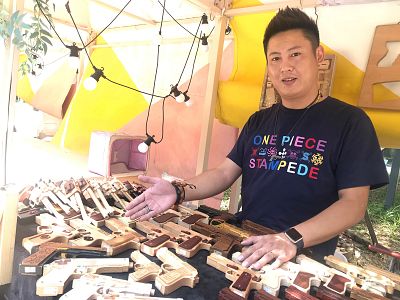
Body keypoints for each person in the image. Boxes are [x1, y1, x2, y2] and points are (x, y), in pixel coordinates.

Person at [125, 7, 388, 269]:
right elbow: (223, 173)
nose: (285, 66)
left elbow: (353, 204)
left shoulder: (350, 122)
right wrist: (178, 189)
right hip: (246, 245)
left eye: (295, 54)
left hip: (302, 256)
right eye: (275, 58)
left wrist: (291, 238)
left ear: (318, 56)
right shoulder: (258, 121)